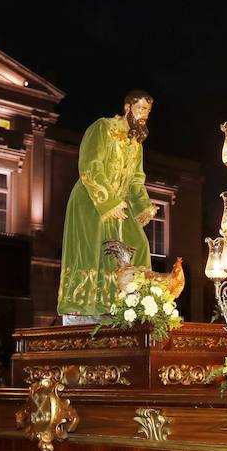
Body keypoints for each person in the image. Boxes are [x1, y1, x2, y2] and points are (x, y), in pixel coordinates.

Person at [56, 91, 158, 322]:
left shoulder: (136, 143)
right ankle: (86, 304)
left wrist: (144, 206)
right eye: (140, 109)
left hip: (120, 205)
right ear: (127, 107)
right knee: (97, 250)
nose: (143, 116)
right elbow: (90, 165)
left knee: (138, 244)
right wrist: (108, 202)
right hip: (91, 201)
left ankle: (133, 301)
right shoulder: (103, 128)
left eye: (147, 112)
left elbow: (135, 180)